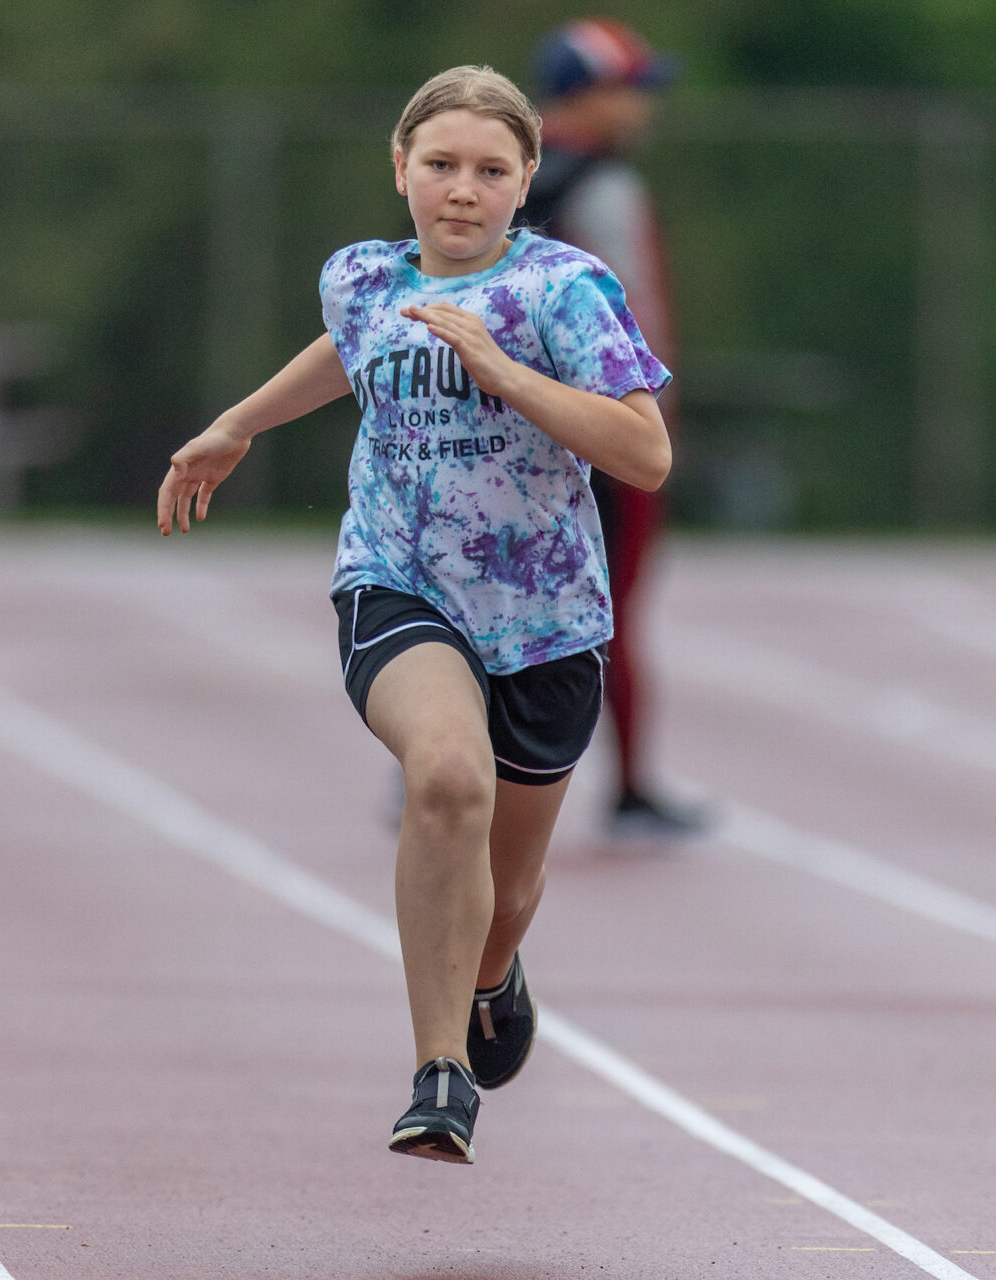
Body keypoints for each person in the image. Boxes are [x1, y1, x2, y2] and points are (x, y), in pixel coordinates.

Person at [157, 65, 670, 1162]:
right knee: (444, 774)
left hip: (544, 617)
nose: (462, 189)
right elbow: (345, 355)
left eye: (490, 170)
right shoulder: (361, 279)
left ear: (526, 179)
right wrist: (236, 424)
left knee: (514, 882)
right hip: (400, 579)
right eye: (440, 165)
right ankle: (440, 1073)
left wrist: (506, 371)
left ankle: (491, 972)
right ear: (401, 170)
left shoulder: (565, 292)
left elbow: (646, 451)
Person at [526, 18, 703, 840]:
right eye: (631, 90)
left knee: (489, 595)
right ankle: (630, 787)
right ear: (585, 93)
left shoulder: (497, 177)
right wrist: (651, 423)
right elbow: (635, 318)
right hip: (600, 428)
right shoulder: (605, 187)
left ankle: (446, 756)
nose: (644, 108)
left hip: (513, 425)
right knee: (613, 609)